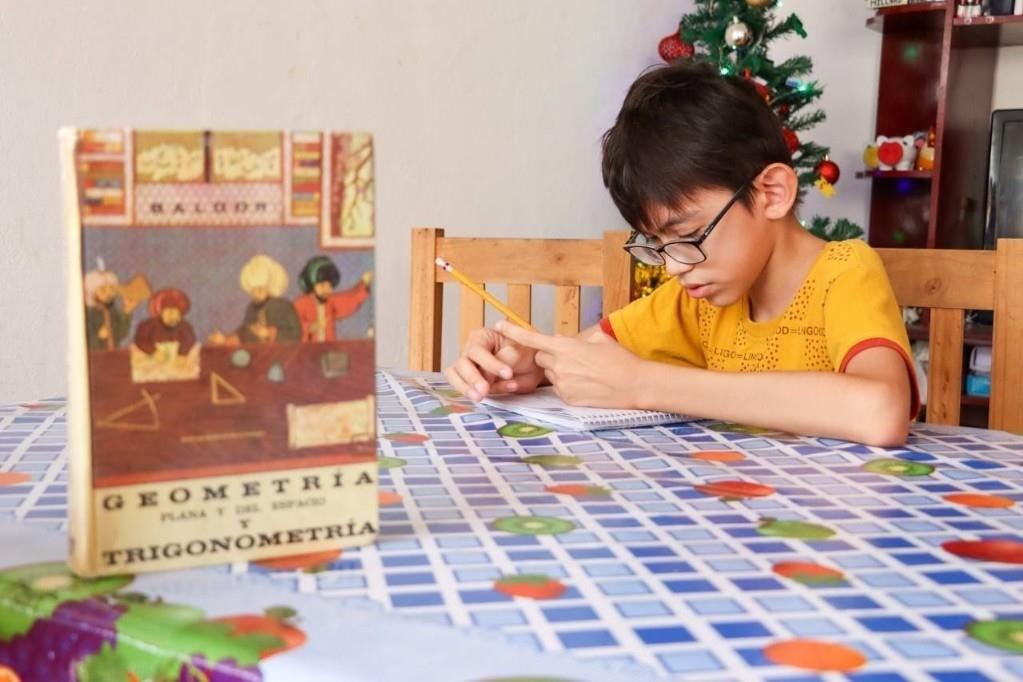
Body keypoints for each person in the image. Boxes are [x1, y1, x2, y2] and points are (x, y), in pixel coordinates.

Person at [445, 61, 917, 447]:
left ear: (772, 192)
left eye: (689, 234)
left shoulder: (845, 273)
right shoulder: (696, 299)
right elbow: (590, 359)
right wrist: (524, 365)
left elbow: (881, 412)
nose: (673, 266)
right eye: (658, 246)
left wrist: (643, 384)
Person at [209, 255, 301, 345]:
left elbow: (296, 334)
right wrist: (225, 340)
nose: (256, 294)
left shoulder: (283, 306)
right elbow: (244, 333)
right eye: (253, 290)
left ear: (269, 286)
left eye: (260, 289)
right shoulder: (252, 308)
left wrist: (268, 333)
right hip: (257, 355)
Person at [293, 255, 371, 342]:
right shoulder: (300, 303)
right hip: (307, 349)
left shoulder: (331, 301)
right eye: (322, 285)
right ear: (312, 284)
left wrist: (364, 283)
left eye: (329, 286)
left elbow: (349, 301)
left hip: (329, 348)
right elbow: (294, 327)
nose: (327, 290)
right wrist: (311, 327)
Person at [83, 269, 138, 350]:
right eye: (103, 290)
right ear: (92, 292)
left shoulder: (112, 311)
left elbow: (121, 333)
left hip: (112, 353)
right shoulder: (88, 314)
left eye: (111, 289)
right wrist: (99, 337)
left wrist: (127, 310)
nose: (108, 294)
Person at [134, 288, 196, 355]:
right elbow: (141, 340)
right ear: (160, 312)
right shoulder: (147, 326)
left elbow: (189, 342)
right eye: (170, 312)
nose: (173, 317)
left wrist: (179, 352)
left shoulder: (185, 327)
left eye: (177, 313)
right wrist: (155, 352)